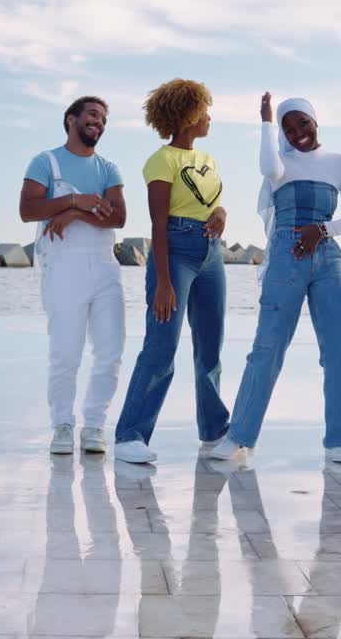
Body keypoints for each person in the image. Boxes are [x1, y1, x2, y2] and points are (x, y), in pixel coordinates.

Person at [210, 93, 341, 463]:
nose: (298, 133)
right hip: (286, 257)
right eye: (288, 128)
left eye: (303, 123)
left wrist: (321, 229)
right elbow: (266, 167)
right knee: (268, 348)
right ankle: (240, 436)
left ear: (315, 121)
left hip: (326, 257)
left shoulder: (339, 163)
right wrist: (264, 121)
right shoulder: (280, 164)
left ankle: (340, 440)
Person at [113, 78, 230, 464]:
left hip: (212, 254)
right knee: (162, 345)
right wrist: (163, 282)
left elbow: (212, 204)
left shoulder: (209, 160)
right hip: (175, 252)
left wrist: (222, 213)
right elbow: (158, 224)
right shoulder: (161, 161)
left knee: (210, 345)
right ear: (188, 114)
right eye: (204, 110)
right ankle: (131, 435)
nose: (209, 118)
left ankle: (214, 430)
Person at [19, 96, 127, 454]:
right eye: (93, 115)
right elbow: (28, 209)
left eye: (104, 118)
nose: (100, 123)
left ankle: (94, 425)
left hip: (105, 264)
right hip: (64, 266)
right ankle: (63, 425)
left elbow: (118, 217)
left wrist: (78, 214)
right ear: (71, 120)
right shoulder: (46, 161)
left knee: (110, 350)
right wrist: (75, 201)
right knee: (65, 353)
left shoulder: (108, 168)